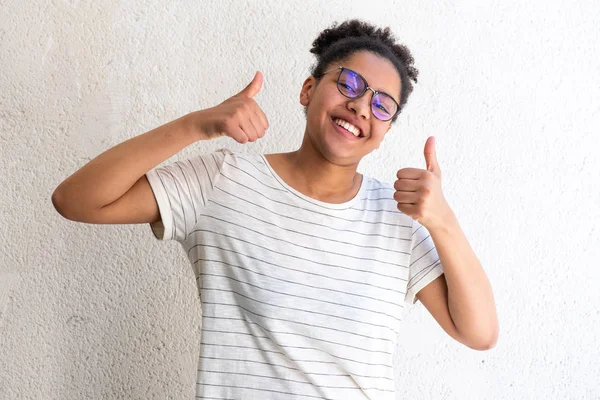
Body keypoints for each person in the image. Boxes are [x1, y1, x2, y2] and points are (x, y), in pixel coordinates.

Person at [52, 19, 498, 400]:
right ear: (309, 89)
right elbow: (76, 200)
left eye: (382, 104)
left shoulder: (397, 217)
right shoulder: (224, 180)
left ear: (384, 129)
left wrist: (443, 221)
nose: (361, 105)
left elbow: (478, 332)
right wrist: (196, 125)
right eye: (349, 83)